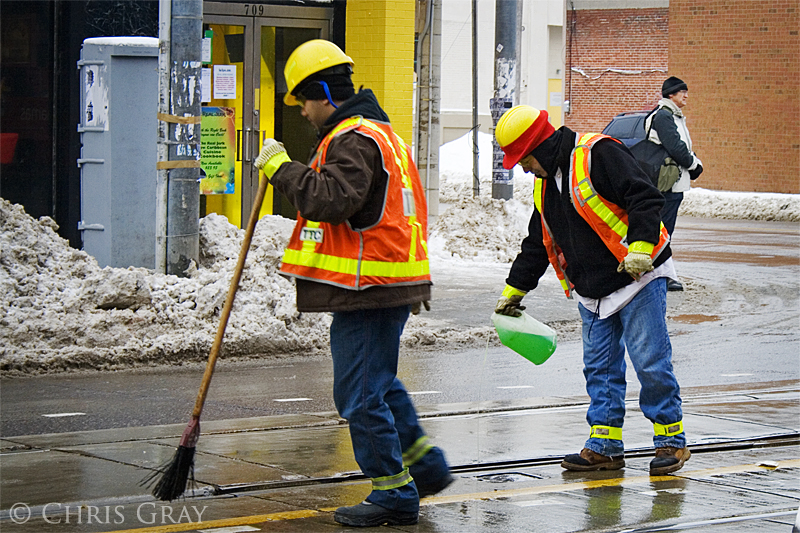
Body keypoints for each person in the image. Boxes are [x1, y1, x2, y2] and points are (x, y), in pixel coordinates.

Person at [253, 39, 452, 528]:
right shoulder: (382, 134)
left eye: (303, 99)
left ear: (323, 92)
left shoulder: (353, 139)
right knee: (378, 383)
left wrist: (282, 170)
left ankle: (393, 492)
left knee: (358, 394)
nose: (302, 111)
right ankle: (423, 465)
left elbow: (330, 200)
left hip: (369, 287)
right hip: (388, 281)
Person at [493, 105, 690, 476]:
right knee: (600, 369)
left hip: (638, 277)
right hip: (593, 289)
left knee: (649, 361)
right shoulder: (547, 181)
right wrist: (514, 289)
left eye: (524, 158)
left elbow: (645, 197)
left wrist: (642, 247)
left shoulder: (598, 153)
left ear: (541, 146)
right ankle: (605, 447)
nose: (522, 167)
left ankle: (671, 441)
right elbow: (539, 240)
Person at [646, 76, 703, 291]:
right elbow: (676, 148)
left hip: (672, 184)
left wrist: (692, 160)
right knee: (663, 231)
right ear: (671, 94)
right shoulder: (664, 116)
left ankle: (658, 273)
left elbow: (682, 147)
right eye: (682, 92)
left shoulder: (673, 116)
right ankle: (662, 275)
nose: (686, 95)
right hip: (666, 185)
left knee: (663, 230)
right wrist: (694, 165)